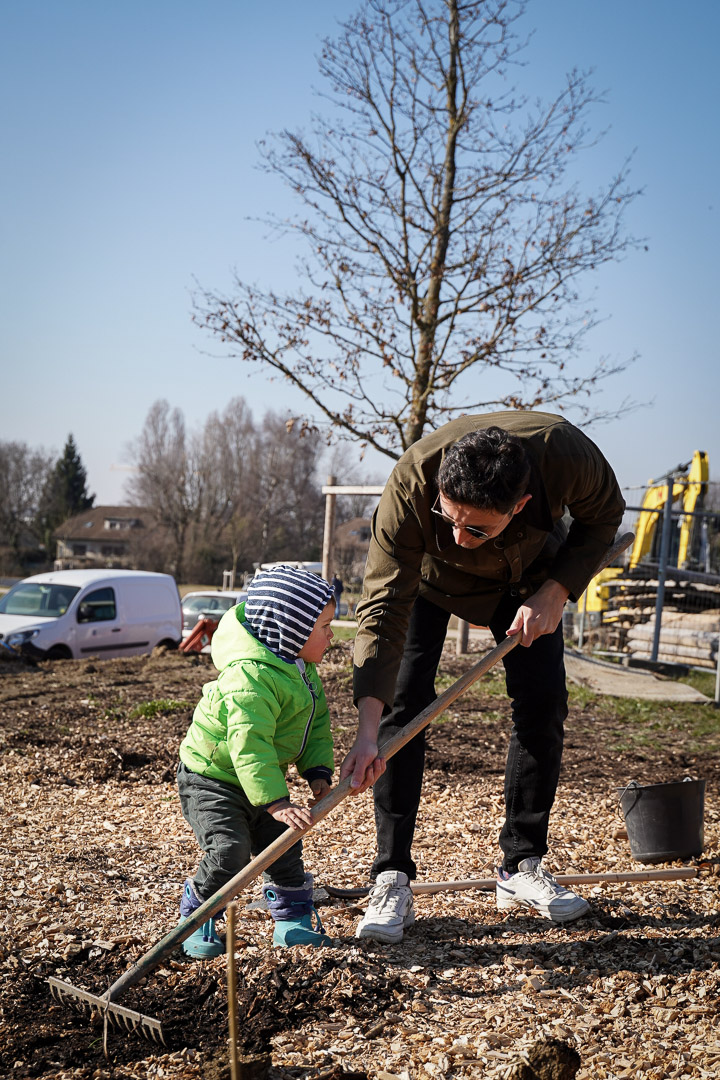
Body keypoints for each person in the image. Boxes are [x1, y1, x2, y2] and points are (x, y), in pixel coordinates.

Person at [340, 411, 625, 943]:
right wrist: (366, 728)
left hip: (530, 577)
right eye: (449, 518)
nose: (460, 535)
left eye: (476, 527)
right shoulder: (411, 483)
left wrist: (559, 589)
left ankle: (521, 866)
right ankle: (390, 875)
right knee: (403, 706)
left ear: (518, 505)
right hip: (428, 583)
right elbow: (381, 610)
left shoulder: (564, 453)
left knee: (543, 705)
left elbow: (605, 514)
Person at [177, 564, 337, 957]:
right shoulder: (250, 678)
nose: (332, 634)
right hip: (213, 778)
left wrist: (317, 770)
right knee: (229, 850)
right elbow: (250, 746)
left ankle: (292, 921)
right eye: (324, 626)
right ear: (293, 631)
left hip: (261, 778)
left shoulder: (300, 669)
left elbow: (315, 723)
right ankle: (196, 918)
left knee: (283, 845)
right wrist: (277, 802)